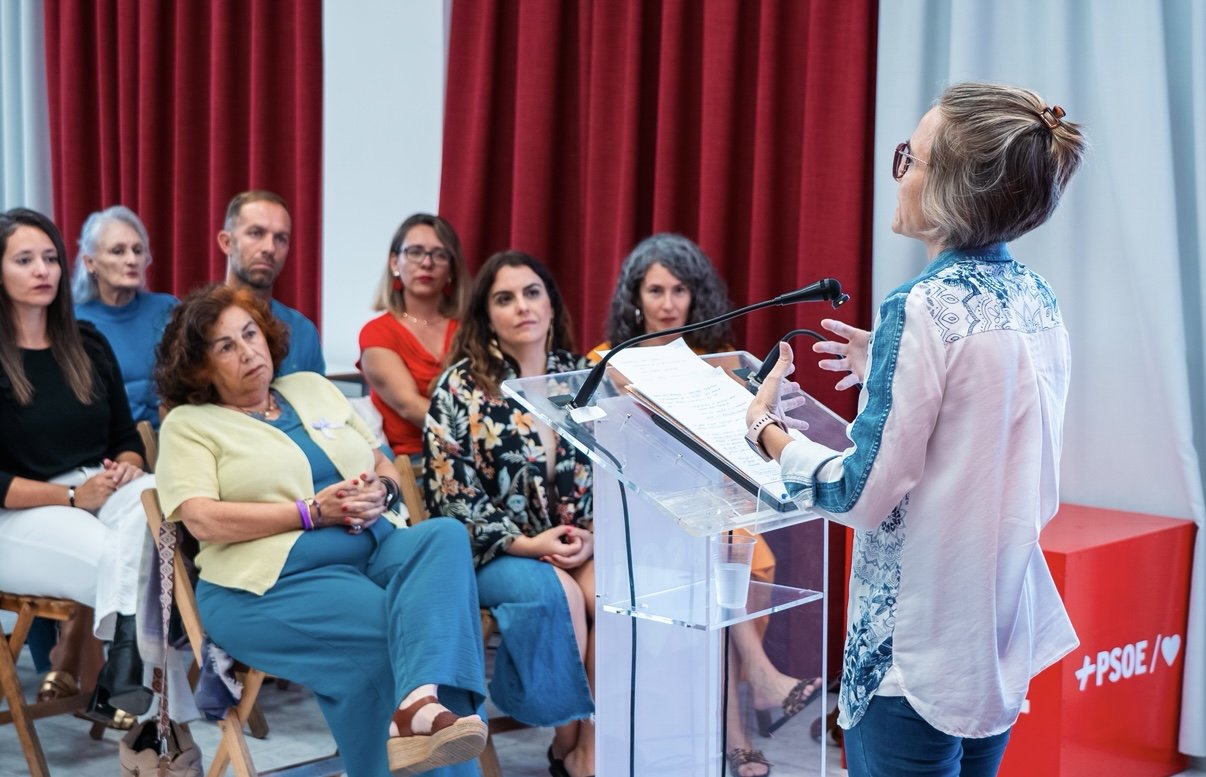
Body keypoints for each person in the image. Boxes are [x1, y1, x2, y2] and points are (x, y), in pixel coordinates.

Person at [745, 82, 1087, 777]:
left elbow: (860, 493)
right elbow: (990, 425)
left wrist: (766, 432)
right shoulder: (1036, 297)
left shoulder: (922, 308)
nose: (898, 171)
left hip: (915, 653)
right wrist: (892, 364)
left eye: (912, 156)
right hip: (993, 635)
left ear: (951, 189)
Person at [154, 284, 487, 777]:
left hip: (373, 550)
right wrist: (310, 513)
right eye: (226, 346)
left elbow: (379, 461)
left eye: (250, 334)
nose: (248, 351)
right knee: (403, 639)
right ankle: (418, 720)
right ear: (200, 366)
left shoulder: (311, 387)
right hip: (268, 585)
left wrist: (385, 493)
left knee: (444, 538)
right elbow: (200, 517)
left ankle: (419, 703)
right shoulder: (190, 424)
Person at [594, 233, 821, 777]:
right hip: (634, 514)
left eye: (680, 290)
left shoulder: (712, 364)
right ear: (634, 298)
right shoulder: (605, 362)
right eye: (655, 290)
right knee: (714, 563)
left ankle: (735, 724)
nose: (668, 303)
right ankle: (747, 712)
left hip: (706, 511)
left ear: (697, 298)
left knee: (729, 555)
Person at [424, 251, 595, 777]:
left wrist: (592, 536)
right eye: (504, 298)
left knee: (617, 593)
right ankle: (567, 738)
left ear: (550, 302)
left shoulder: (581, 377)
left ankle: (586, 748)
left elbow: (614, 473)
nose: (522, 306)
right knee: (559, 592)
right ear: (486, 315)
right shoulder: (459, 387)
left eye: (531, 292)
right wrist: (531, 545)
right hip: (495, 551)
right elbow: (451, 498)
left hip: (576, 541)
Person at [0, 207, 155, 728]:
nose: (43, 270)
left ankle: (123, 674)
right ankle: (136, 683)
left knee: (162, 508)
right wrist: (71, 498)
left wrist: (129, 469)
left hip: (97, 489)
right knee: (118, 555)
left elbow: (125, 439)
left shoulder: (86, 342)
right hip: (21, 514)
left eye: (50, 258)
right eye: (24, 260)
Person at [359, 214, 469, 463]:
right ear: (395, 262)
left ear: (452, 268)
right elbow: (410, 406)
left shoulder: (470, 327)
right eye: (415, 252)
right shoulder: (377, 332)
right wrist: (482, 435)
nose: (427, 263)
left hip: (479, 456)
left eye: (439, 255)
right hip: (419, 462)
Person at [72, 205, 178, 428]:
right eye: (118, 251)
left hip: (173, 440)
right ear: (90, 262)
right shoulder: (72, 322)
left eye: (138, 250)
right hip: (109, 449)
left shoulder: (168, 309)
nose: (132, 260)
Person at [219, 190, 325, 376]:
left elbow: (317, 403)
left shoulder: (302, 332)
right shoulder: (196, 324)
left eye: (281, 238)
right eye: (256, 233)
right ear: (227, 242)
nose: (269, 248)